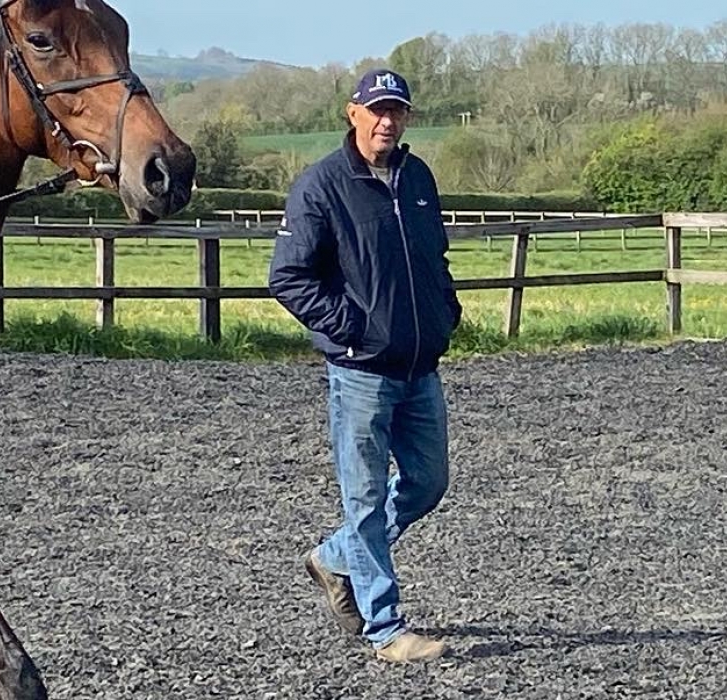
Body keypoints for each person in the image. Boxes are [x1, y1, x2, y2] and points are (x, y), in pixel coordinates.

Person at [267, 67, 461, 662]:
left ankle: (333, 557)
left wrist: (445, 310)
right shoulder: (321, 185)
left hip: (420, 366)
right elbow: (288, 277)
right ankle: (385, 628)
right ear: (353, 113)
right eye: (377, 110)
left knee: (428, 482)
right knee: (367, 499)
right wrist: (352, 330)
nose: (387, 121)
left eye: (396, 110)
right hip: (361, 373)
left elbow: (435, 256)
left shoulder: (417, 177)